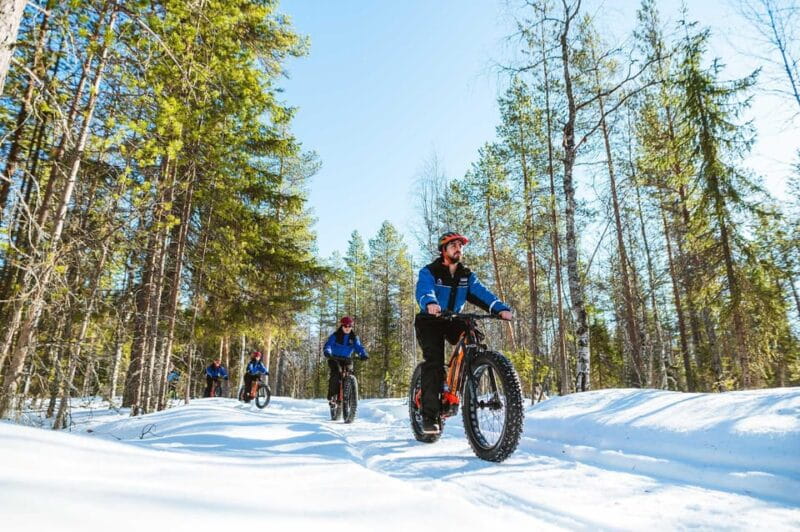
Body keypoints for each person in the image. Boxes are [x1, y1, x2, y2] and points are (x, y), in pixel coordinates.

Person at [414, 231, 512, 434]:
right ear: (443, 250)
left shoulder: (466, 275)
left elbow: (482, 293)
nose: (458, 249)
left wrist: (500, 308)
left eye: (460, 246)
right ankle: (430, 416)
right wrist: (430, 303)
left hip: (453, 319)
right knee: (434, 361)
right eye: (453, 246)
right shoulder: (429, 271)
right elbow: (424, 290)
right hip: (430, 319)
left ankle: (471, 369)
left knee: (472, 334)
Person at [323, 316, 368, 406]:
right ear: (342, 326)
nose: (347, 328)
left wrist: (363, 354)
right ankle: (332, 396)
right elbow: (328, 345)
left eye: (349, 326)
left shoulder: (354, 337)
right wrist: (327, 352)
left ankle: (349, 395)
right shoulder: (335, 335)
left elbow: (359, 347)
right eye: (345, 326)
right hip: (334, 358)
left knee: (350, 373)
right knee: (336, 373)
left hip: (346, 359)